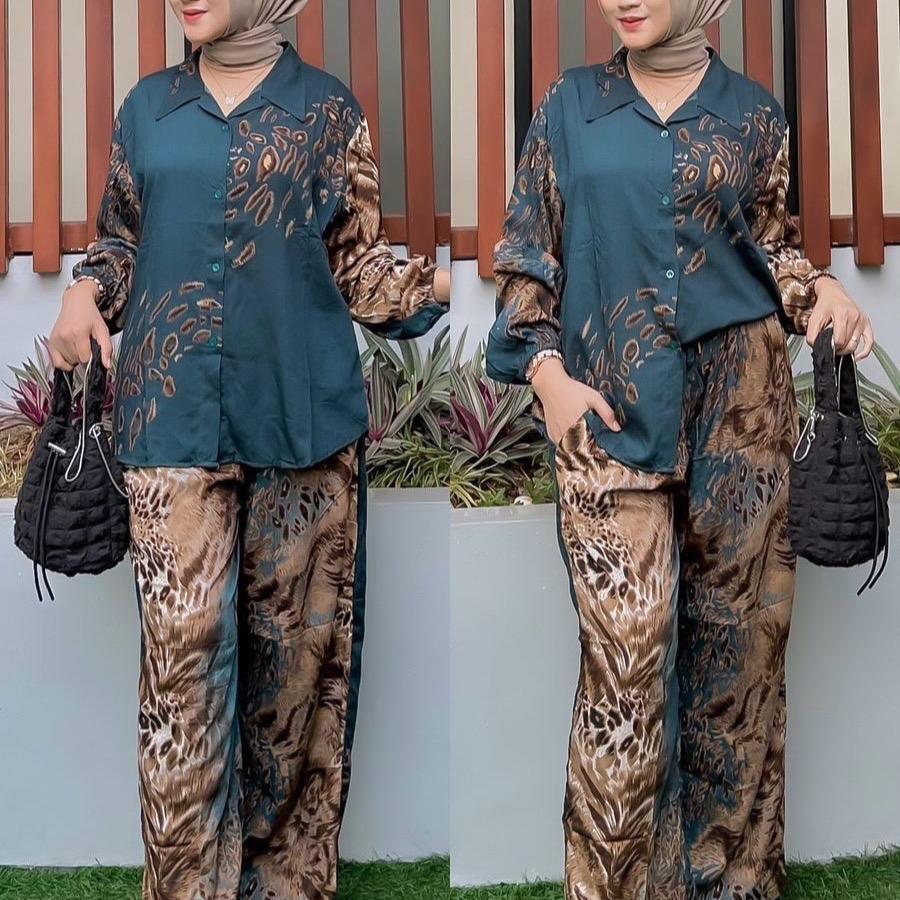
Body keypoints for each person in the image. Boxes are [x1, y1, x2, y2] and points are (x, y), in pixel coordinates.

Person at [49, 1, 450, 897]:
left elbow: (355, 262)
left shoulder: (328, 111)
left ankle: (286, 885)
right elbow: (121, 241)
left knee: (295, 686)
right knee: (180, 686)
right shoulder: (148, 109)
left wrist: (438, 289)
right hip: (171, 426)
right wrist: (84, 292)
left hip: (302, 428)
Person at [486, 1, 873, 898]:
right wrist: (546, 375)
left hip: (743, 416)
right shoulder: (568, 107)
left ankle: (733, 883)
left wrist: (819, 290)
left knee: (740, 665)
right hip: (605, 417)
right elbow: (525, 258)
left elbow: (770, 248)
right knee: (625, 674)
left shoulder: (754, 115)